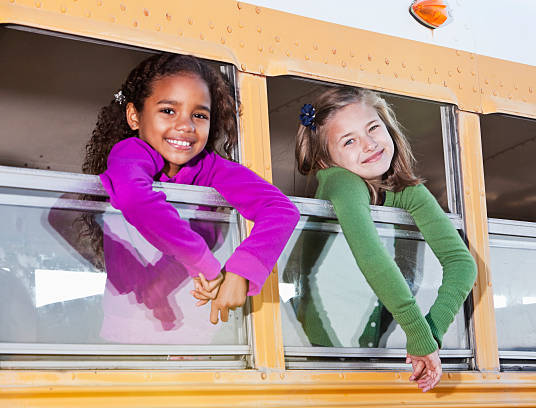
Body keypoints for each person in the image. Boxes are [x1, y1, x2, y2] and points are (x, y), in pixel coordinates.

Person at [81, 52, 299, 328]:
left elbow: (280, 209)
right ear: (134, 116)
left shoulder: (211, 167)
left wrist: (240, 272)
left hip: (200, 331)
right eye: (168, 110)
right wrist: (204, 263)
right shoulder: (129, 154)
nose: (186, 126)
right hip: (128, 329)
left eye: (199, 114)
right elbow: (135, 198)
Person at [295, 86, 477, 392]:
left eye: (373, 128)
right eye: (349, 140)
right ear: (326, 160)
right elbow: (372, 262)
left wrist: (429, 334)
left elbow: (462, 264)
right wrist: (418, 336)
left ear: (388, 126)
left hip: (355, 340)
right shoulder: (340, 181)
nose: (368, 145)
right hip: (320, 332)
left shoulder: (406, 190)